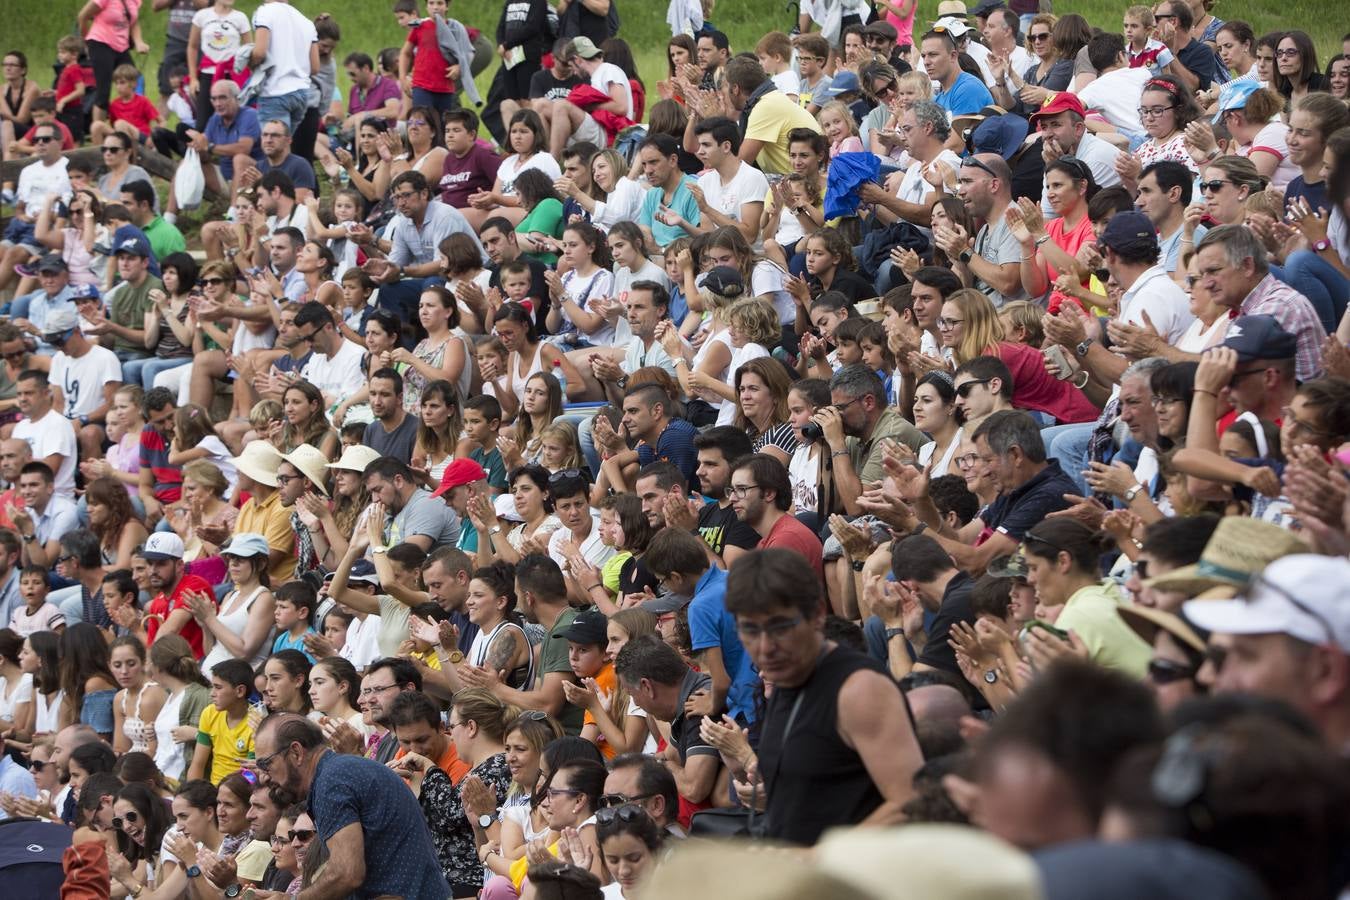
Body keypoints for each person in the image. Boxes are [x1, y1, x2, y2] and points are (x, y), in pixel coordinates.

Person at [725, 548, 923, 844]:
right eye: (750, 630)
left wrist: (818, 857)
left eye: (780, 628)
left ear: (817, 614)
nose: (765, 647)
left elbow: (911, 803)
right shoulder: (786, 678)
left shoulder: (861, 690)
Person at [255, 713, 450, 897]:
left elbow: (346, 873)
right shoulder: (338, 772)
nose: (263, 777)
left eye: (266, 764)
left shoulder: (331, 782)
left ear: (296, 752)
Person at [729, 454, 824, 580]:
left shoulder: (787, 539)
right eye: (731, 490)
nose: (732, 498)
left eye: (741, 489)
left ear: (769, 493)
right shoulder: (769, 539)